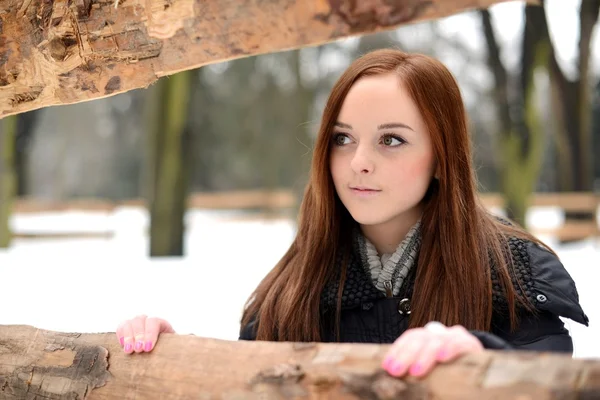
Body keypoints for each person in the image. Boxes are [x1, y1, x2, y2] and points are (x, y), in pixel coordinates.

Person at [116, 49, 588, 379]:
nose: (359, 160)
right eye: (343, 138)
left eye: (391, 139)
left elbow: (551, 376)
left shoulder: (512, 274)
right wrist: (184, 358)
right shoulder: (292, 289)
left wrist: (482, 357)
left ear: (443, 157)